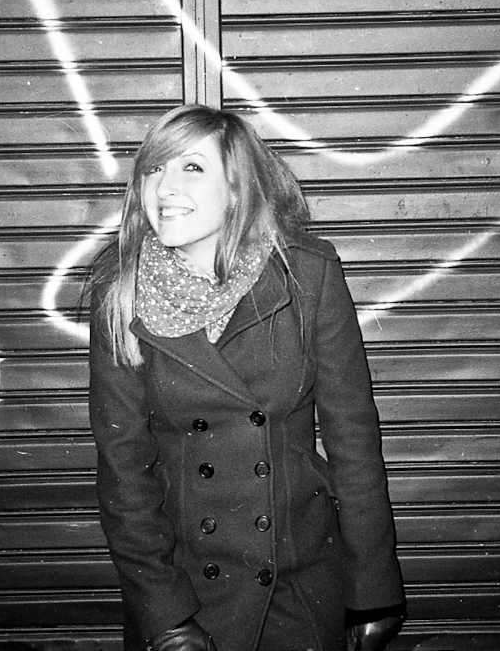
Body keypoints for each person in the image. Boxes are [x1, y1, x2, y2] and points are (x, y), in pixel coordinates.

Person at [87, 104, 406, 651]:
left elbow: (353, 440)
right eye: (154, 169)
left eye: (191, 168)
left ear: (237, 187)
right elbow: (124, 472)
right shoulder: (120, 294)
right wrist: (165, 616)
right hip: (191, 591)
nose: (165, 186)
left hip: (298, 580)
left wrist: (373, 589)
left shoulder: (306, 275)